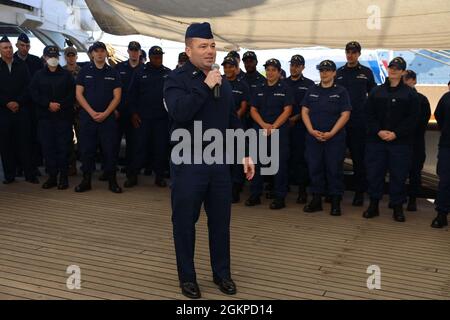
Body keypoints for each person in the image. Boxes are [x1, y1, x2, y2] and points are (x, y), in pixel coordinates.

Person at [163, 22, 255, 299]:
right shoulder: (175, 80)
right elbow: (180, 113)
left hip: (218, 164)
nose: (210, 51)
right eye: (203, 46)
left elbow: (231, 120)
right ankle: (188, 279)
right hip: (188, 162)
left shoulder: (221, 81)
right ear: (188, 49)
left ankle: (222, 274)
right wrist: (204, 86)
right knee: (184, 223)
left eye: (212, 45)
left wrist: (245, 153)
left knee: (220, 222)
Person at [363, 57, 420, 222]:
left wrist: (396, 133)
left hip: (400, 143)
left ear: (403, 72)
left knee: (399, 175)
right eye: (391, 67)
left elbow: (413, 119)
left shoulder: (410, 94)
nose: (393, 70)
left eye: (397, 68)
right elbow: (368, 114)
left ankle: (397, 207)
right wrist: (378, 131)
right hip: (376, 140)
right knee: (374, 174)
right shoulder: (376, 91)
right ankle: (373, 205)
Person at [301, 60, 351, 216]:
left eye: (328, 70)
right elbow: (304, 111)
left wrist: (332, 133)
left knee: (334, 169)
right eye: (322, 70)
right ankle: (316, 200)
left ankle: (335, 202)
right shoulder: (312, 90)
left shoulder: (341, 91)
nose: (324, 73)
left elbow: (345, 114)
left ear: (334, 73)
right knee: (315, 168)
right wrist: (311, 130)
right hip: (314, 137)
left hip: (334, 139)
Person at [74, 41, 122, 193]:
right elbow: (78, 94)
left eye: (102, 51)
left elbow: (117, 97)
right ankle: (86, 181)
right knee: (87, 151)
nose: (100, 53)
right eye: (97, 51)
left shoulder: (113, 73)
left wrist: (106, 113)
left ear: (106, 53)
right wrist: (91, 112)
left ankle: (112, 181)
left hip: (107, 119)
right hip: (88, 118)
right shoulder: (84, 71)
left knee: (110, 151)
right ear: (92, 53)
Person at [245, 58, 293, 210]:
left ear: (279, 72)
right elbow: (253, 109)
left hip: (279, 131)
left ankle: (279, 197)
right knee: (256, 163)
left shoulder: (285, 88)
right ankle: (255, 194)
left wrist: (274, 126)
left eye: (273, 70)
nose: (270, 72)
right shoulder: (259, 88)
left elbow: (288, 110)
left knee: (279, 165)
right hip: (260, 129)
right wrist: (263, 125)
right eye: (268, 69)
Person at [335, 41, 377, 206]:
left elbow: (373, 96)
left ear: (359, 54)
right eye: (348, 52)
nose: (350, 55)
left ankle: (359, 193)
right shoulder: (338, 73)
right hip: (339, 123)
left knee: (359, 160)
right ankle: (336, 192)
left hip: (359, 123)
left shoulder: (366, 73)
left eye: (353, 52)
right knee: (336, 159)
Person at [124, 45, 171, 188]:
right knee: (139, 148)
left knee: (160, 149)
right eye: (156, 57)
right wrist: (133, 113)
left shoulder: (168, 73)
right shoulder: (139, 72)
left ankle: (159, 176)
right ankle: (133, 176)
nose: (158, 59)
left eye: (160, 57)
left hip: (161, 119)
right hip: (143, 118)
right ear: (150, 57)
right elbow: (131, 95)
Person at [29, 45, 75, 190]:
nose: (52, 59)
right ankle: (52, 177)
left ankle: (64, 177)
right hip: (45, 119)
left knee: (63, 148)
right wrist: (48, 104)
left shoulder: (66, 75)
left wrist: (59, 105)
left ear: (59, 57)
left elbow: (72, 94)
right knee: (48, 148)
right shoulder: (38, 75)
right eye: (50, 56)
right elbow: (33, 93)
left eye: (55, 56)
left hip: (63, 118)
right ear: (44, 57)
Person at [0, 36, 38, 184]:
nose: (8, 50)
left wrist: (18, 102)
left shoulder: (22, 66)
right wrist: (7, 102)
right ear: (0, 50)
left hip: (21, 110)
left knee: (26, 143)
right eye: (5, 48)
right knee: (5, 145)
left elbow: (29, 87)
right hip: (3, 112)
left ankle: (30, 174)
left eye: (9, 47)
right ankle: (9, 175)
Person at [285, 54, 315, 204]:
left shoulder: (309, 84)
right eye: (292, 65)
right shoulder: (282, 83)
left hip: (300, 127)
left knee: (300, 160)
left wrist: (295, 118)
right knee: (283, 158)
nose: (294, 68)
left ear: (303, 67)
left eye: (297, 65)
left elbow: (308, 106)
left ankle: (302, 191)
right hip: (282, 126)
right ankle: (281, 189)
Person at [15, 33, 44, 177]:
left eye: (27, 46)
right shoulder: (10, 60)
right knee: (18, 138)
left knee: (34, 137)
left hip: (34, 106)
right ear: (17, 45)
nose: (24, 48)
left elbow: (40, 83)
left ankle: (33, 166)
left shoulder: (36, 61)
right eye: (22, 45)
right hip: (18, 107)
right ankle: (19, 166)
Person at [222, 55, 250, 203]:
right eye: (225, 66)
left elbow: (244, 107)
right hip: (220, 128)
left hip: (237, 126)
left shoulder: (242, 85)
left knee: (237, 159)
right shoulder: (218, 82)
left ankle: (235, 189)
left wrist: (231, 120)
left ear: (236, 68)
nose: (227, 69)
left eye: (230, 66)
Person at [403, 70, 431, 211]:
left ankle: (412, 200)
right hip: (400, 142)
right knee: (398, 171)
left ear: (414, 81)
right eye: (403, 79)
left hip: (415, 141)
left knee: (415, 172)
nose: (405, 81)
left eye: (407, 79)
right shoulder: (396, 97)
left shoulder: (422, 99)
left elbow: (423, 122)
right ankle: (398, 198)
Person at [114, 41, 143, 173]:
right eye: (131, 50)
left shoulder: (144, 69)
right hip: (119, 111)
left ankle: (131, 169)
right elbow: (112, 89)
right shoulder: (119, 68)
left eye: (136, 50)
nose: (134, 53)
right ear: (128, 51)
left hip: (136, 113)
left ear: (140, 52)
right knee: (114, 142)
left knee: (134, 143)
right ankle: (110, 168)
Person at [432, 90, 450, 228]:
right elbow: (439, 115)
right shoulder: (446, 97)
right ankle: (441, 214)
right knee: (445, 180)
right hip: (447, 145)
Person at [63, 46, 81, 176]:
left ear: (76, 56)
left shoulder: (83, 71)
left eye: (73, 55)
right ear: (65, 57)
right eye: (68, 55)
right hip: (66, 110)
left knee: (83, 138)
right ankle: (72, 165)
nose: (71, 57)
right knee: (67, 139)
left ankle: (86, 165)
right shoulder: (61, 72)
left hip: (81, 110)